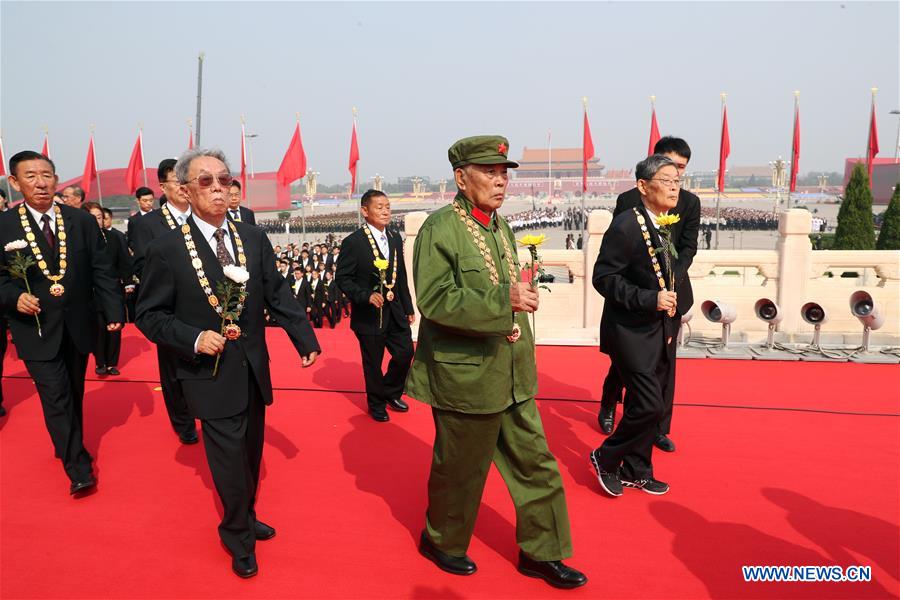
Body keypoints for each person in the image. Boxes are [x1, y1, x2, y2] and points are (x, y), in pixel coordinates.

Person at [406, 136, 586, 589]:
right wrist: (502, 299)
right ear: (461, 177)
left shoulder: (500, 227)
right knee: (461, 470)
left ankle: (542, 553)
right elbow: (434, 300)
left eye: (504, 173)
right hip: (466, 377)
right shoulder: (440, 229)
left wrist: (517, 299)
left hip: (512, 372)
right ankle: (442, 540)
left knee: (538, 465)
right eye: (490, 172)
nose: (501, 181)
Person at [136, 148, 320, 578]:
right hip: (207, 373)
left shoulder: (251, 237)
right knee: (228, 460)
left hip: (252, 366)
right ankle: (237, 533)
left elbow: (276, 291)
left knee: (251, 454)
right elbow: (149, 315)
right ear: (186, 191)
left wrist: (303, 337)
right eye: (206, 181)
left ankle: (246, 514)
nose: (218, 188)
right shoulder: (166, 248)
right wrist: (194, 337)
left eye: (224, 180)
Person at [0, 151, 124, 495]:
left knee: (73, 391)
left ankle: (67, 443)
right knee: (55, 395)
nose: (40, 183)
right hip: (34, 327)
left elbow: (101, 269)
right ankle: (78, 466)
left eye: (46, 175)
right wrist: (14, 297)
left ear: (56, 179)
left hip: (78, 324)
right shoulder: (4, 225)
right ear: (15, 183)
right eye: (31, 176)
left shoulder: (80, 221)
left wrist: (114, 311)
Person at [597, 137, 699, 454]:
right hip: (636, 301)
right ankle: (611, 409)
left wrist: (671, 277)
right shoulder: (630, 205)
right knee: (628, 366)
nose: (674, 182)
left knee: (664, 367)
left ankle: (656, 430)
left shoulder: (689, 202)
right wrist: (648, 294)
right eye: (668, 173)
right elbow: (613, 264)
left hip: (672, 295)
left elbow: (688, 247)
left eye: (679, 172)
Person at [589, 154, 682, 498]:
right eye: (666, 181)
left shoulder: (662, 222)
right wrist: (649, 299)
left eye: (677, 181)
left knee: (648, 404)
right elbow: (604, 278)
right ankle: (606, 456)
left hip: (656, 328)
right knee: (649, 404)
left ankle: (637, 469)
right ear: (643, 186)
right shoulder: (626, 225)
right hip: (628, 330)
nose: (674, 187)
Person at [129, 159, 198, 444]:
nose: (183, 186)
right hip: (169, 307)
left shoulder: (203, 215)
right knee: (172, 369)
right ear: (163, 186)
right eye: (177, 180)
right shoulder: (146, 224)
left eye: (187, 179)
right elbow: (141, 265)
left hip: (205, 304)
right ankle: (183, 421)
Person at [336, 189, 415, 422]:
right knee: (373, 363)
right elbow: (342, 278)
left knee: (405, 354)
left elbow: (400, 276)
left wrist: (409, 307)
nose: (385, 211)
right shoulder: (353, 242)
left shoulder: (394, 237)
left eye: (388, 207)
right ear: (365, 211)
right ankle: (376, 404)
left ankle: (390, 391)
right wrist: (365, 295)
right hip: (369, 315)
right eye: (379, 207)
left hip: (395, 310)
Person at [83, 202, 132, 376]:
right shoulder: (79, 240)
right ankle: (100, 361)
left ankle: (112, 362)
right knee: (98, 327)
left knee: (114, 325)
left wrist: (128, 282)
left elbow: (124, 261)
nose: (97, 221)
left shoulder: (114, 237)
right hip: (92, 292)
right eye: (93, 218)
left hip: (113, 289)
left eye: (99, 217)